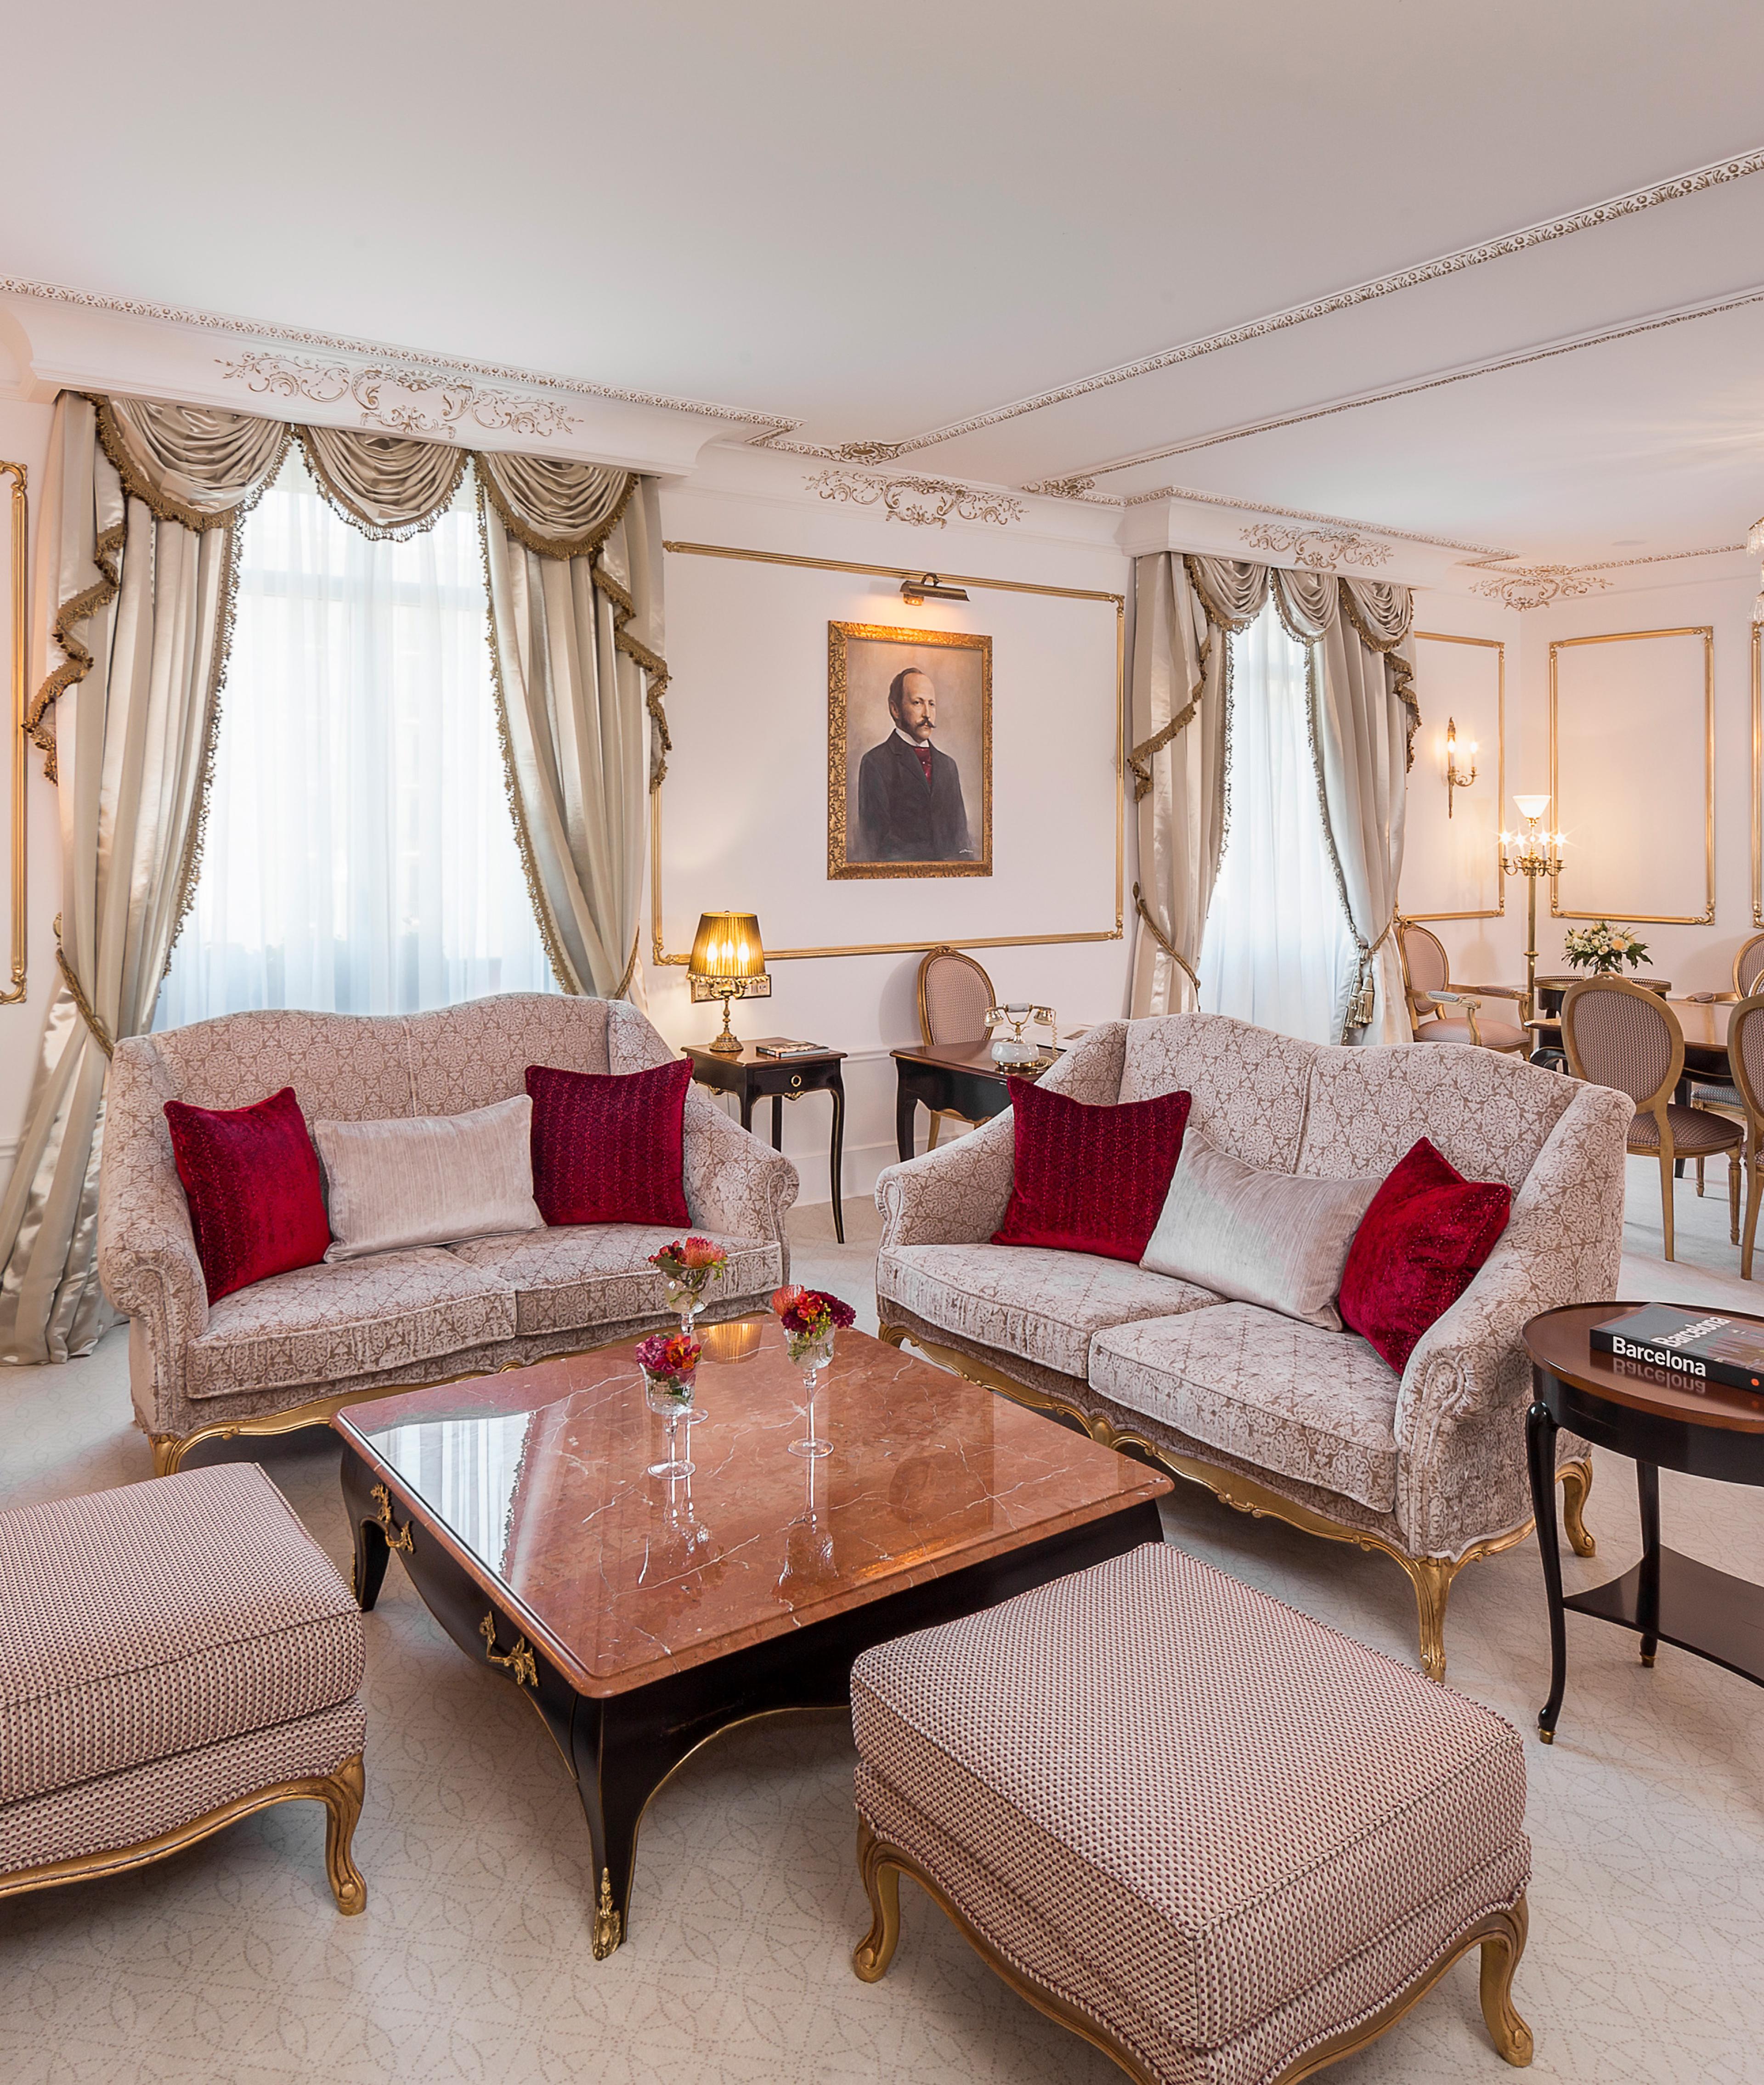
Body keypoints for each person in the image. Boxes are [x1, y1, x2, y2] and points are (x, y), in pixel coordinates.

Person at [853, 666, 974, 863]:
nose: (928, 714)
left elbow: (961, 840)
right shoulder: (875, 763)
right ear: (895, 709)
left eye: (932, 704)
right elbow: (874, 846)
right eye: (918, 703)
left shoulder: (948, 766)